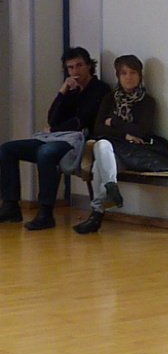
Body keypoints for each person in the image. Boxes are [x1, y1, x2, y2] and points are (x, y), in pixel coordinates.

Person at [0, 47, 110, 230]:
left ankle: (45, 212)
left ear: (89, 66)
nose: (75, 71)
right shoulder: (71, 91)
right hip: (56, 137)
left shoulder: (100, 89)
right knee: (7, 149)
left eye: (79, 65)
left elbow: (82, 120)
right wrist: (63, 90)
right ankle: (10, 206)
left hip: (79, 140)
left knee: (46, 152)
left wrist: (53, 129)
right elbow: (52, 118)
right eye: (70, 67)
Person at [72, 54, 156, 234]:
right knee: (102, 145)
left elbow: (142, 131)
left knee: (98, 167)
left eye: (133, 72)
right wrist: (125, 134)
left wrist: (115, 122)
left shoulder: (148, 101)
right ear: (118, 76)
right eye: (123, 73)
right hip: (112, 149)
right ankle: (111, 186)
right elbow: (98, 128)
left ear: (140, 75)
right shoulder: (110, 98)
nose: (128, 77)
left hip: (133, 152)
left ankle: (96, 214)